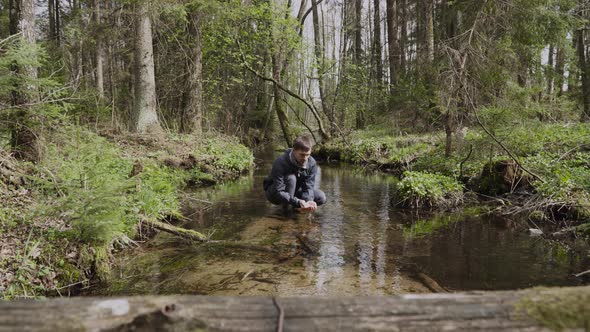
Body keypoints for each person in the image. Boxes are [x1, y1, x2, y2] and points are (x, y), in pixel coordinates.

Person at [263, 135, 326, 211]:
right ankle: (286, 210)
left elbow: (308, 187)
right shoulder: (280, 162)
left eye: (308, 155)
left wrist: (309, 201)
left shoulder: (311, 163)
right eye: (302, 154)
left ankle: (295, 206)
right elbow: (279, 191)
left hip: (295, 191)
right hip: (275, 194)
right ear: (294, 151)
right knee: (291, 178)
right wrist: (297, 201)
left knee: (321, 197)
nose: (305, 158)